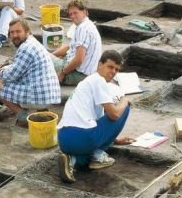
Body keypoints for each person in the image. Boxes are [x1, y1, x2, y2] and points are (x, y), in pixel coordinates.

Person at [56, 50, 134, 183]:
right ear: (100, 65)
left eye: (116, 69)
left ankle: (72, 161)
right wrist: (125, 100)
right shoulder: (99, 81)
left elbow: (99, 121)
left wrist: (115, 140)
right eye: (110, 67)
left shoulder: (87, 82)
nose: (113, 71)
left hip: (63, 139)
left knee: (87, 154)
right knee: (124, 109)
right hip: (82, 137)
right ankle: (98, 154)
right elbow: (114, 115)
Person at [0, 18, 61, 127]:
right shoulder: (32, 42)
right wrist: (5, 67)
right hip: (50, 95)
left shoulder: (25, 48)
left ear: (27, 32)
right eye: (12, 32)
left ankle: (22, 117)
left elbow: (12, 75)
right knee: (18, 80)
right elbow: (20, 66)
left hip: (40, 97)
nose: (15, 35)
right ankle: (42, 113)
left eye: (18, 31)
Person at [52, 0, 102, 86]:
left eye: (75, 13)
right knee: (53, 53)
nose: (72, 16)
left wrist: (62, 73)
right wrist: (53, 55)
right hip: (86, 73)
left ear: (85, 12)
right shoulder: (87, 24)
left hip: (79, 75)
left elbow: (79, 59)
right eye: (70, 14)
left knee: (41, 58)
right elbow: (69, 47)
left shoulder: (83, 28)